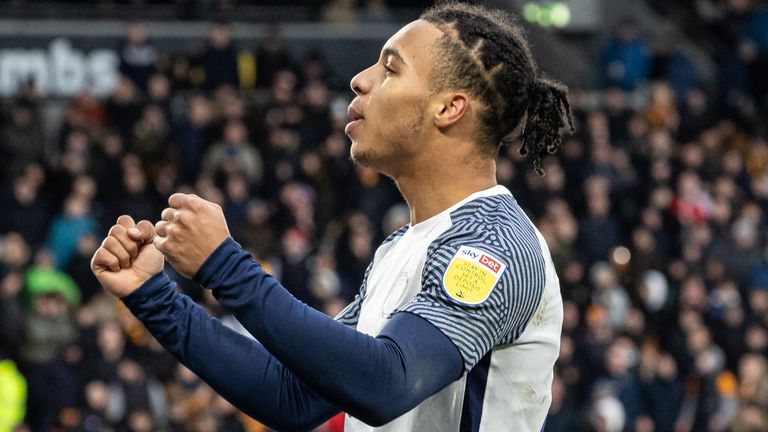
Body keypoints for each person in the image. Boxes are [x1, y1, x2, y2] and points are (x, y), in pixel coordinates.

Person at [90, 3, 572, 431]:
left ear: (449, 107)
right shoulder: (401, 245)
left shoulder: (495, 245)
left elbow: (386, 383)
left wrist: (224, 264)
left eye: (390, 69)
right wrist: (154, 298)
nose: (360, 80)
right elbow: (293, 398)